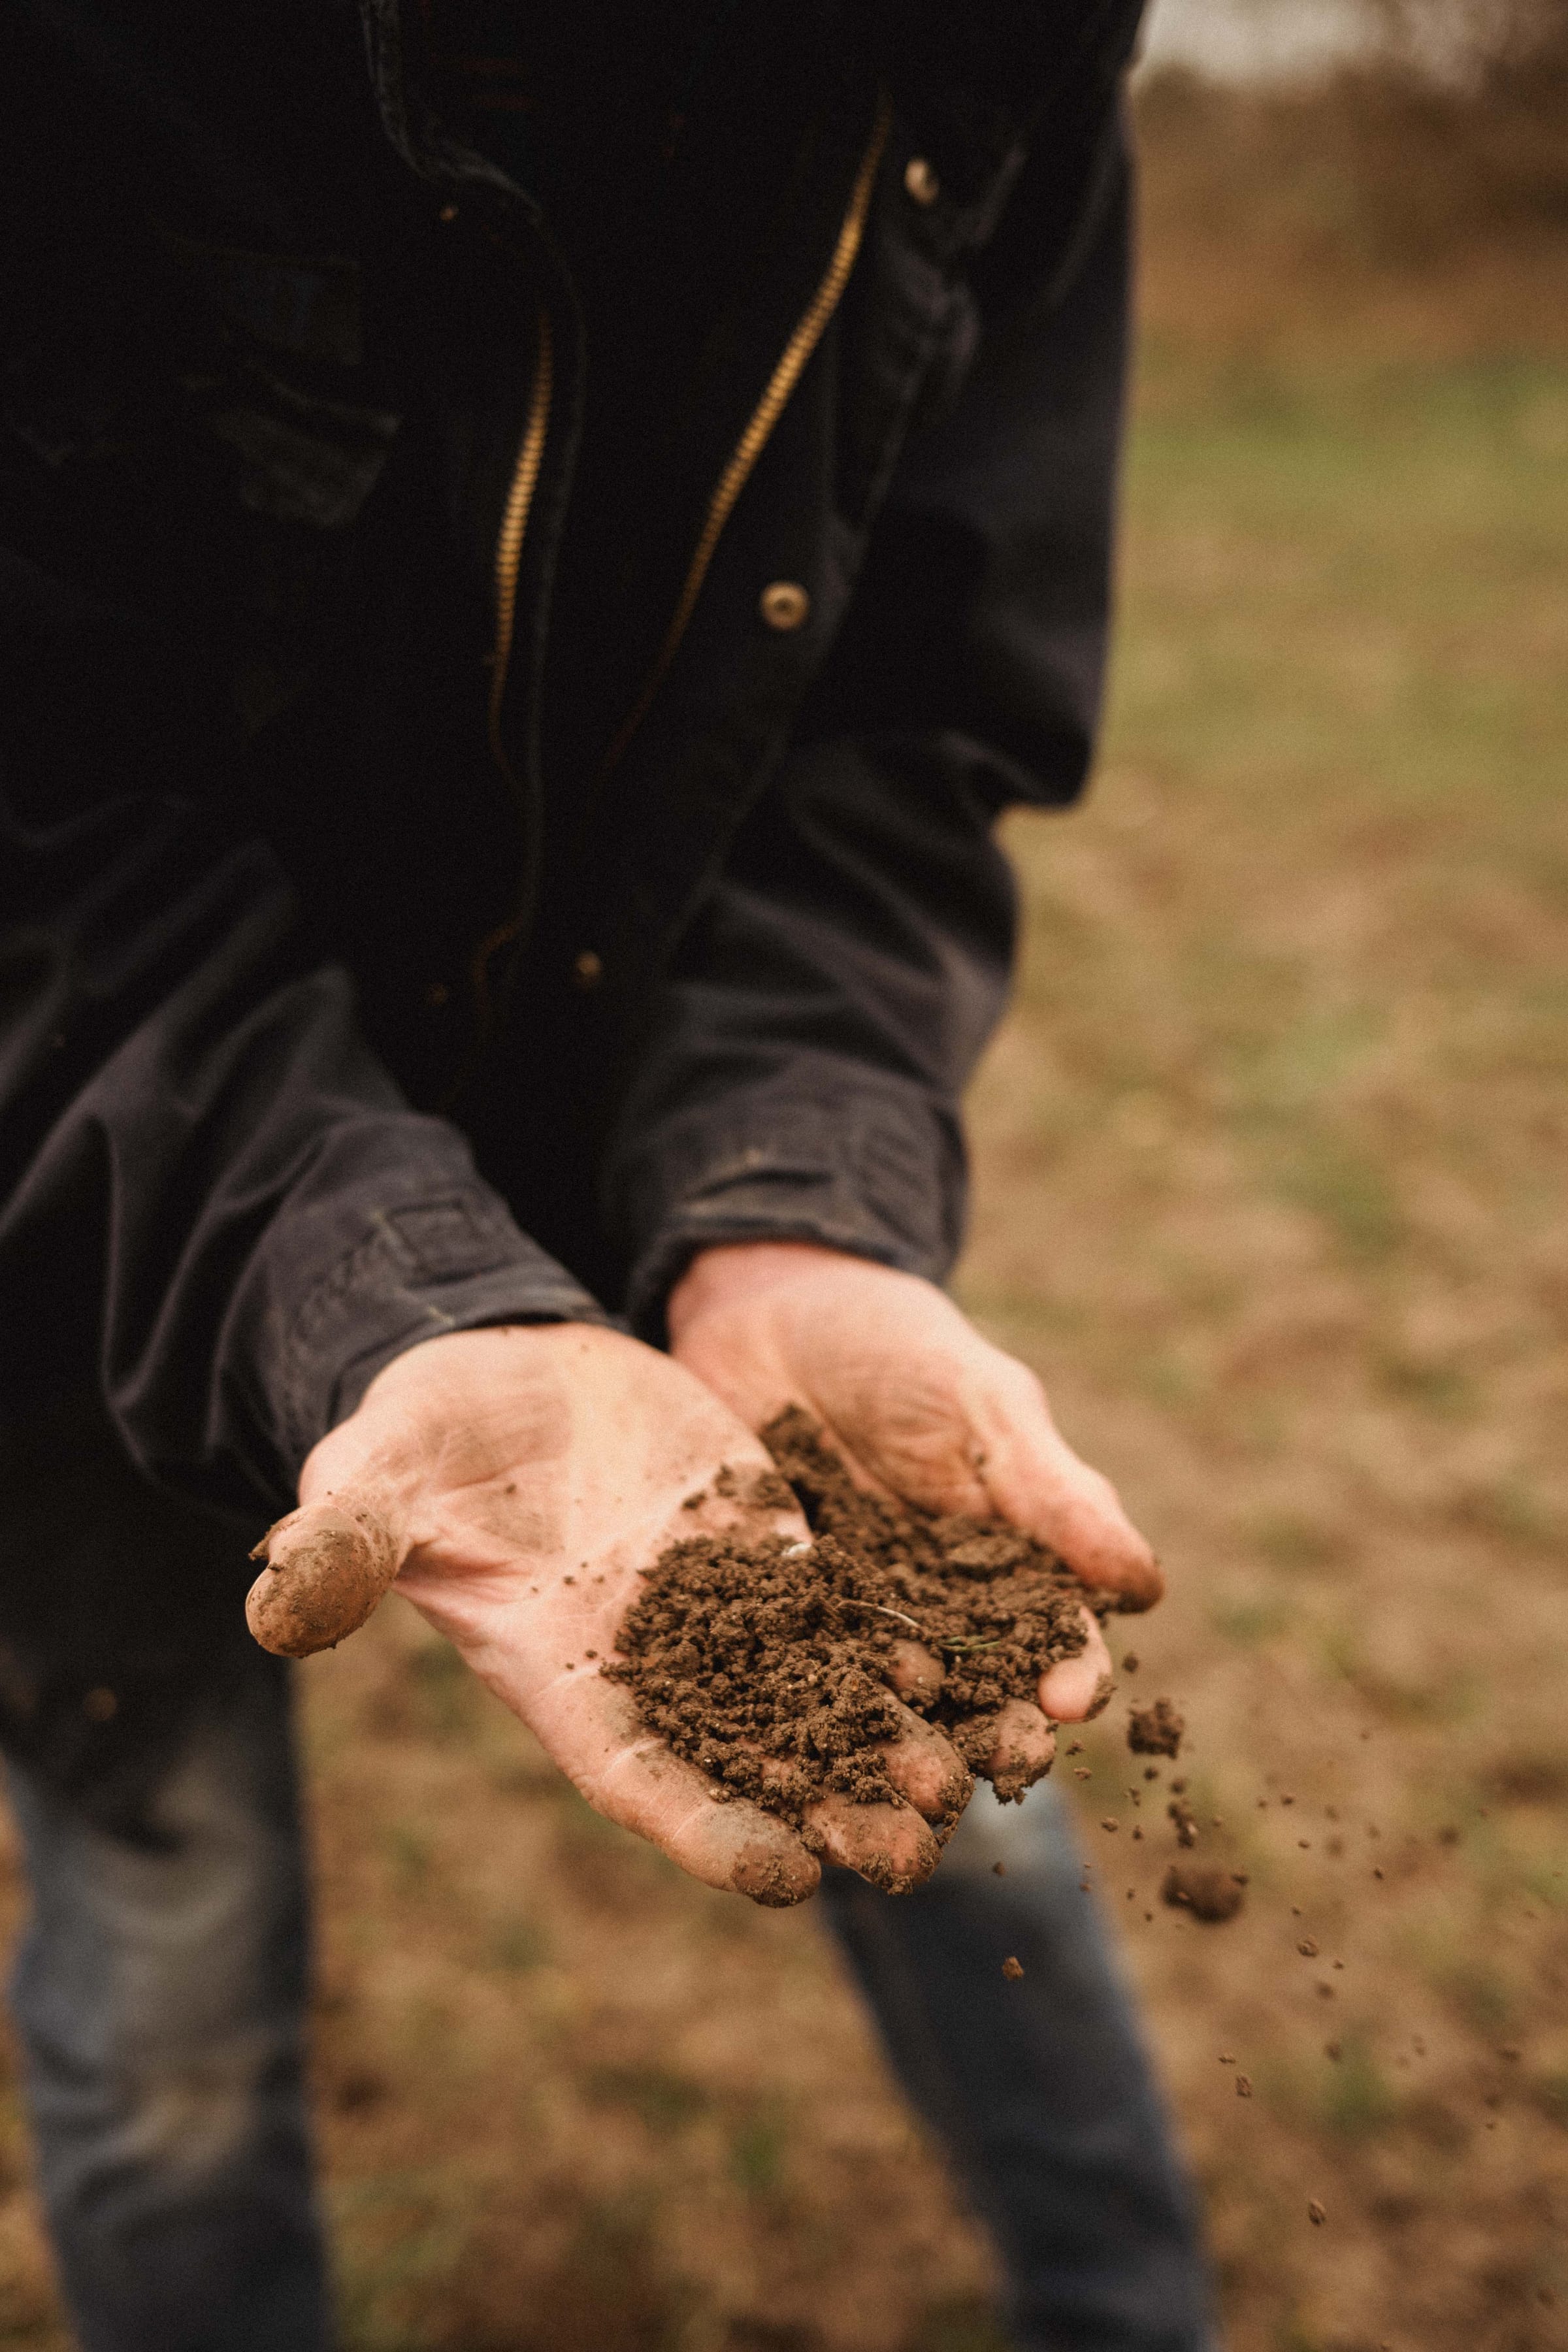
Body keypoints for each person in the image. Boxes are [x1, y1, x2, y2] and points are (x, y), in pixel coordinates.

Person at [0, 1, 1217, 2345]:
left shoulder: (990, 56)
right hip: (86, 1164)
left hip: (642, 1114)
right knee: (168, 1933)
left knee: (947, 1762)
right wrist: (387, 1283)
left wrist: (796, 1197)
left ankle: (1129, 2308)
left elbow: (901, 721)